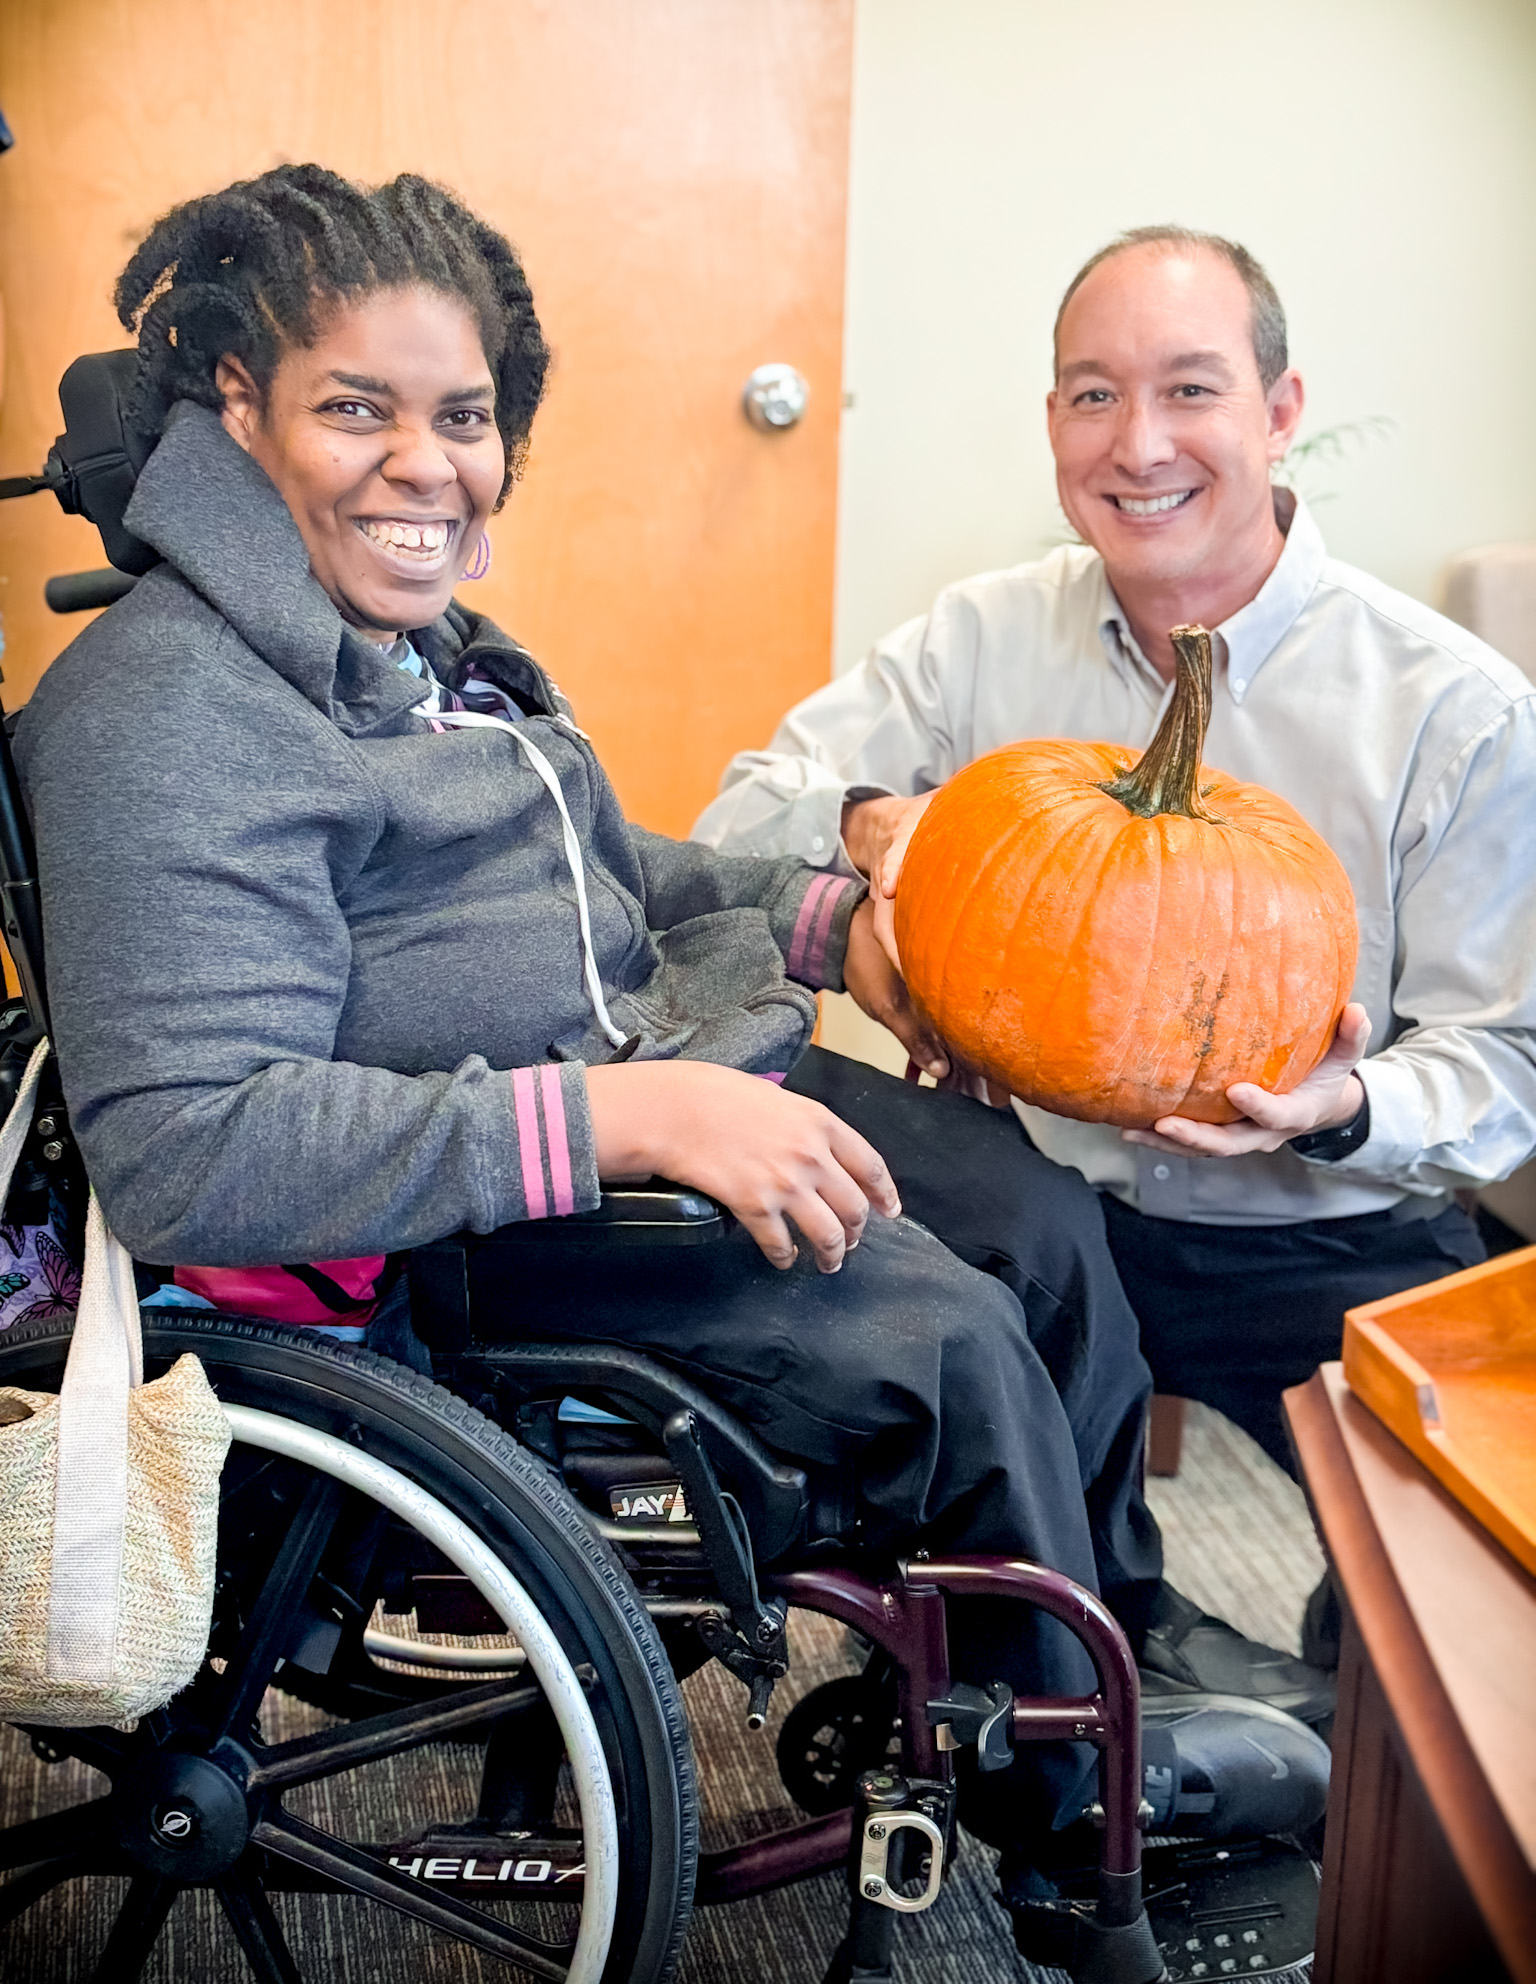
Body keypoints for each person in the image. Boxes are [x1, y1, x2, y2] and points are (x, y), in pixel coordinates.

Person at [13, 174, 1328, 1902]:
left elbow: (584, 865)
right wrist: (629, 1115)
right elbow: (193, 1150)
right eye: (358, 406)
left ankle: (1113, 1631)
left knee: (1041, 1217)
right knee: (946, 1336)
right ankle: (1061, 1783)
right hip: (461, 1231)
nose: (431, 464)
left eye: (465, 415)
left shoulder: (397, 644)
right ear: (236, 404)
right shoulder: (174, 710)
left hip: (621, 1076)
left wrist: (831, 924)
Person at [696, 224, 1536, 1507]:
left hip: (1330, 1230)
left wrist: (1345, 1103)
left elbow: (1510, 1060)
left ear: (1282, 410)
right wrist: (875, 831)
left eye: (1191, 388)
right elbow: (734, 821)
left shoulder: (1452, 708)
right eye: (1096, 395)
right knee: (954, 1563)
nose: (1139, 445)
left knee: (1417, 1642)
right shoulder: (982, 638)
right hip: (1040, 1216)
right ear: (1053, 422)